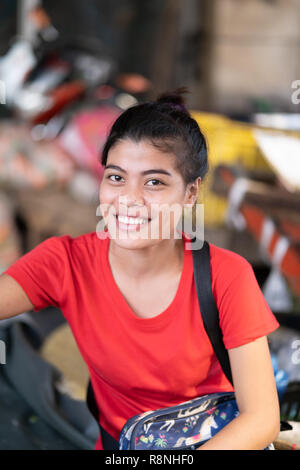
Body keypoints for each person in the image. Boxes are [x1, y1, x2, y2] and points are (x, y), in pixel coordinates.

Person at [0, 89, 280, 450]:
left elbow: (261, 419)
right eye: (116, 178)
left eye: (154, 182)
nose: (129, 199)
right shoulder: (67, 263)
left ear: (190, 193)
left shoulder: (227, 277)